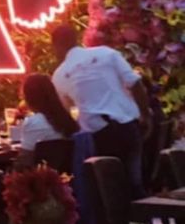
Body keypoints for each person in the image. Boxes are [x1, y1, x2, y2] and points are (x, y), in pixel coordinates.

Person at [51, 24, 150, 197]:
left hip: (97, 136)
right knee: (134, 183)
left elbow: (66, 115)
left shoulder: (60, 75)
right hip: (127, 126)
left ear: (56, 46)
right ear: (76, 38)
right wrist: (145, 115)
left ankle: (119, 215)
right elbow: (135, 83)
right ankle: (140, 212)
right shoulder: (106, 53)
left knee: (109, 192)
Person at [16, 73, 80, 168]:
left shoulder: (33, 122)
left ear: (28, 98)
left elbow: (25, 159)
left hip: (41, 174)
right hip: (66, 173)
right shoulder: (66, 119)